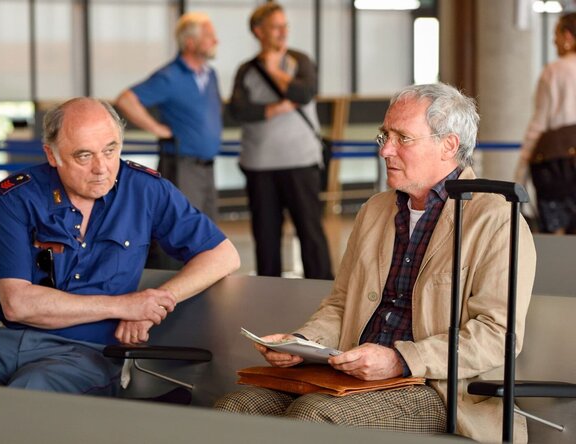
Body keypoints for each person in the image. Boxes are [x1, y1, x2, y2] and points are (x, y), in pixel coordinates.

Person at [215, 84, 536, 443]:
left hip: (438, 390)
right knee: (237, 407)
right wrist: (303, 342)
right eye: (385, 135)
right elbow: (340, 304)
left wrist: (402, 359)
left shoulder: (494, 218)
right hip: (351, 379)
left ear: (449, 145)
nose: (385, 150)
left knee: (314, 417)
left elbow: (497, 336)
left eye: (403, 138)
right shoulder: (375, 211)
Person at [0, 98, 240, 395]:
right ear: (51, 154)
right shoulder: (16, 197)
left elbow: (223, 255)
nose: (102, 168)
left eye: (111, 150)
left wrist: (154, 304)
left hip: (81, 350)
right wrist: (125, 306)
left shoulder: (146, 191)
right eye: (84, 155)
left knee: (27, 402)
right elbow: (18, 304)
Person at [228, 2, 332, 279]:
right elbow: (238, 110)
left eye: (285, 26)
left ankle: (322, 292)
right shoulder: (246, 70)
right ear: (258, 31)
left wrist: (275, 71)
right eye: (276, 27)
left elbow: (305, 92)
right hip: (259, 164)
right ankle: (268, 292)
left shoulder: (300, 60)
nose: (283, 32)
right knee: (265, 236)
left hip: (300, 160)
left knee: (310, 232)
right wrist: (274, 108)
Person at [115, 11, 222, 221]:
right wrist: (157, 129)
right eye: (209, 35)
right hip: (182, 166)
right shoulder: (170, 77)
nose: (216, 40)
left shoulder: (210, 76)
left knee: (208, 233)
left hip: (207, 168)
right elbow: (126, 100)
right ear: (190, 42)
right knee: (184, 230)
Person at [515, 12, 576, 234]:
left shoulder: (556, 71)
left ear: (568, 36)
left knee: (558, 235)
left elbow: (539, 123)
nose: (554, 41)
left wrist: (520, 171)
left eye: (556, 34)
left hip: (557, 165)